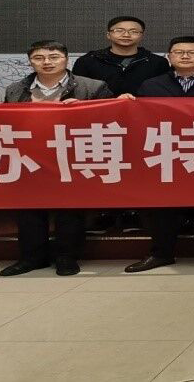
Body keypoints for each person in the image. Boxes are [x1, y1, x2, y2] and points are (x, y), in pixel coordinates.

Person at [0, 40, 115, 277]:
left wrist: (85, 110)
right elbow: (8, 122)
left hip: (72, 155)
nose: (47, 62)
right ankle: (32, 258)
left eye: (54, 57)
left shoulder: (92, 86)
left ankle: (67, 257)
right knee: (28, 209)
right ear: (30, 61)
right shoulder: (16, 89)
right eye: (39, 58)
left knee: (69, 210)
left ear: (66, 59)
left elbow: (112, 119)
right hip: (29, 156)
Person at [125, 36, 194, 273]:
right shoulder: (151, 86)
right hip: (165, 153)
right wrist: (124, 104)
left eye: (192, 52)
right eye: (178, 52)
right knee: (162, 205)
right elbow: (137, 119)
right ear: (169, 57)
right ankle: (161, 253)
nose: (185, 56)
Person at [72, 15, 170, 235]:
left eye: (133, 31)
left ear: (142, 36)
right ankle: (104, 212)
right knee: (104, 167)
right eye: (119, 30)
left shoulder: (156, 62)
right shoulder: (88, 61)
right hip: (100, 125)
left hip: (142, 125)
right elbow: (80, 90)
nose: (126, 35)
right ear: (108, 34)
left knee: (138, 168)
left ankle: (133, 212)